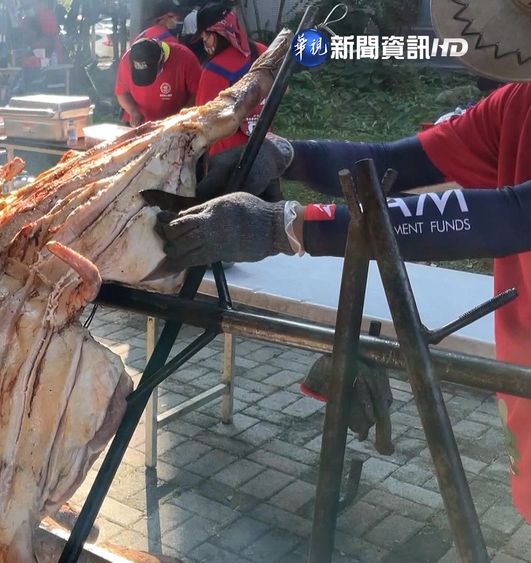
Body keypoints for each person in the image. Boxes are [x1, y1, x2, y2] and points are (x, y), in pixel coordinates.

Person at [151, 0, 531, 523]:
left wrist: (293, 225)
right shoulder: (518, 105)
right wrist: (290, 155)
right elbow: (397, 163)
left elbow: (510, 216)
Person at [185, 1, 268, 156]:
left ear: (215, 33)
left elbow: (203, 119)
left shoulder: (214, 69)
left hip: (226, 155)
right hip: (264, 147)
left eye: (205, 36)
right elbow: (284, 89)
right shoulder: (261, 51)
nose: (204, 42)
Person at [114, 36, 202, 126]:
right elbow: (121, 92)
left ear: (161, 60)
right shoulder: (127, 60)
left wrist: (181, 117)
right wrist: (133, 111)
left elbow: (198, 94)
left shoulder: (185, 58)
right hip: (141, 124)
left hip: (176, 124)